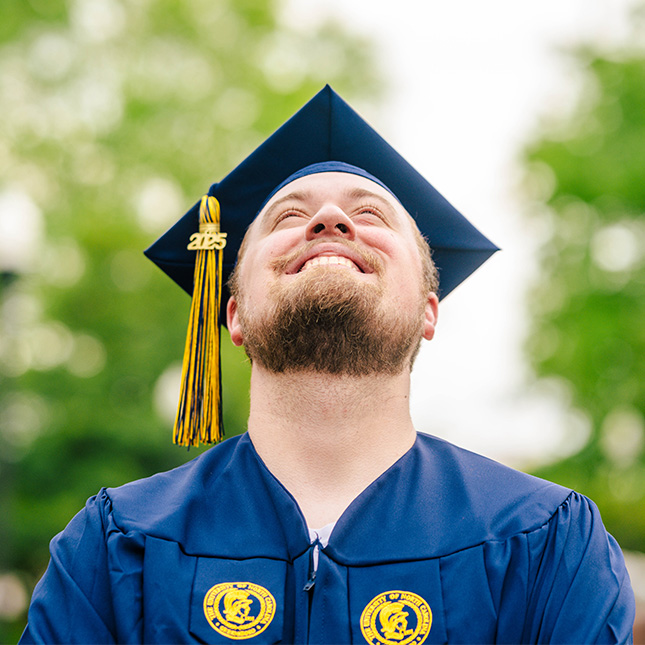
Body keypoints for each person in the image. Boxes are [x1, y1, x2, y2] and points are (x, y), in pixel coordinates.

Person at [21, 86, 635, 644]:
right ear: (232, 313)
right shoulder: (115, 548)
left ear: (429, 309)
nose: (329, 221)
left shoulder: (546, 545)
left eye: (370, 215)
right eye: (289, 217)